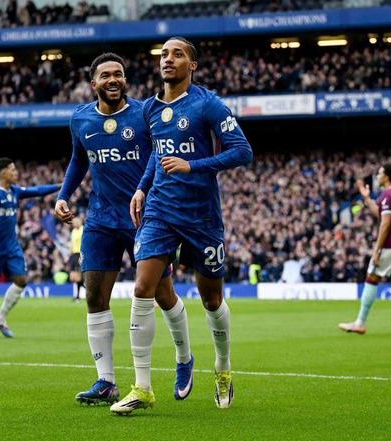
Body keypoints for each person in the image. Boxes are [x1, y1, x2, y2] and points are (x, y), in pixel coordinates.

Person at [110, 37, 253, 415]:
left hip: (202, 216)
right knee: (143, 288)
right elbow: (157, 154)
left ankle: (222, 368)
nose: (168, 59)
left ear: (193, 65)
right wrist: (141, 188)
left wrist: (194, 166)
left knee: (212, 300)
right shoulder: (150, 108)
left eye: (178, 54)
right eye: (164, 54)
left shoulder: (208, 104)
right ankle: (142, 387)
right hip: (160, 211)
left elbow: (243, 151)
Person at [55, 52, 193, 406]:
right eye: (106, 75)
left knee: (162, 293)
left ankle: (184, 356)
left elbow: (160, 153)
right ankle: (106, 382)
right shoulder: (80, 119)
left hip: (145, 218)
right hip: (101, 219)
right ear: (94, 83)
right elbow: (79, 159)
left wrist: (150, 192)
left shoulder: (144, 113)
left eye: (119, 74)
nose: (114, 79)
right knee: (94, 296)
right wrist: (64, 195)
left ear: (125, 80)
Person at [0, 158, 60, 339]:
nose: (16, 172)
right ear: (3, 172)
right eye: (12, 170)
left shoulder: (15, 191)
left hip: (12, 246)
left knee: (21, 280)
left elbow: (37, 190)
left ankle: (0, 317)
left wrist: (61, 185)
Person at [338, 164, 391, 336]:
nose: (377, 176)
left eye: (380, 173)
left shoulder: (387, 195)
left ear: (387, 176)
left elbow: (385, 223)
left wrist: (377, 249)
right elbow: (380, 213)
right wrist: (367, 198)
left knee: (372, 279)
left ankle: (360, 323)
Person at [69, 217, 84, 301]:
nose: (74, 224)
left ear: (80, 222)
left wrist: (82, 255)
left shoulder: (83, 229)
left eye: (75, 222)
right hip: (74, 254)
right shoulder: (73, 231)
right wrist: (69, 255)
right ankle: (78, 295)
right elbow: (72, 244)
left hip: (81, 253)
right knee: (74, 276)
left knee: (80, 276)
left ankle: (78, 295)